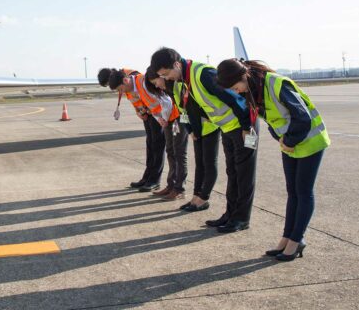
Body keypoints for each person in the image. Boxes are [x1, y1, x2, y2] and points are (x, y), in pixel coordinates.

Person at [216, 58, 330, 261]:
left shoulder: (276, 83)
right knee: (292, 192)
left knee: (303, 192)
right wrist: (282, 139)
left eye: (235, 87)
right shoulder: (254, 91)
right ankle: (287, 238)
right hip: (291, 144)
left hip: (310, 141)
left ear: (244, 76)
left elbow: (303, 117)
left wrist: (290, 140)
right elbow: (273, 119)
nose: (236, 92)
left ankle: (296, 240)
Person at [148, 47, 256, 233]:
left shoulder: (203, 74)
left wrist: (247, 127)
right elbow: (190, 110)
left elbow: (236, 99)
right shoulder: (186, 80)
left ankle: (241, 218)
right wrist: (192, 128)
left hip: (243, 128)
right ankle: (230, 215)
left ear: (176, 64)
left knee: (244, 175)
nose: (166, 79)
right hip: (228, 128)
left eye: (166, 74)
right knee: (233, 173)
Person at [107, 69, 174, 192]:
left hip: (161, 116)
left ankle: (154, 180)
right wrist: (139, 111)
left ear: (125, 80)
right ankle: (147, 177)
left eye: (120, 89)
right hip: (150, 116)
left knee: (158, 146)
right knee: (150, 145)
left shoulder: (143, 81)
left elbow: (163, 100)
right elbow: (137, 101)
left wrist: (161, 117)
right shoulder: (130, 86)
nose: (120, 92)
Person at [145, 75, 188, 200]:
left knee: (179, 153)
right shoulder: (164, 88)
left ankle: (179, 189)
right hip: (170, 121)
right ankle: (171, 185)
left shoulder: (175, 84)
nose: (156, 85)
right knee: (170, 151)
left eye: (155, 81)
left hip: (179, 119)